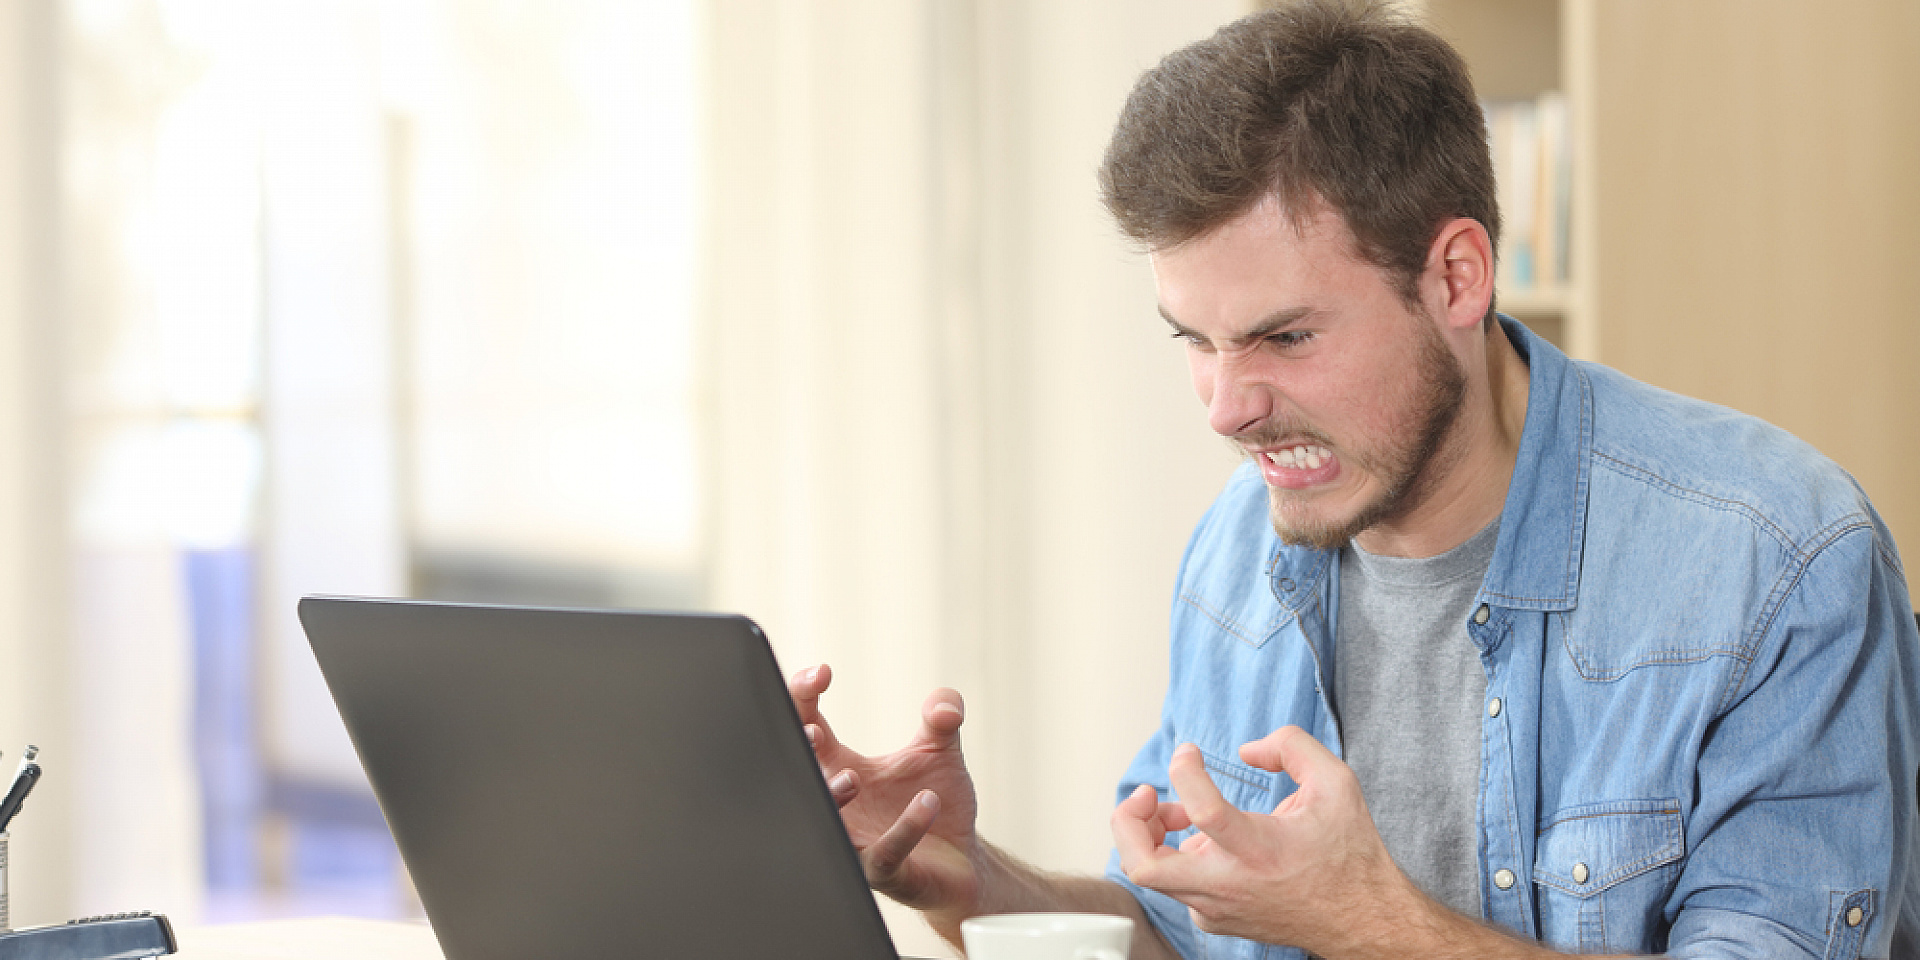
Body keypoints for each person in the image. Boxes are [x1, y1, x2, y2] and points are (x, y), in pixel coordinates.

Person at [788, 1, 1920, 957]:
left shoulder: (1775, 563)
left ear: (1457, 276)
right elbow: (1184, 930)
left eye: (1284, 339)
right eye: (1194, 339)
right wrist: (975, 879)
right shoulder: (1240, 550)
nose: (1227, 409)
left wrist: (1370, 920)